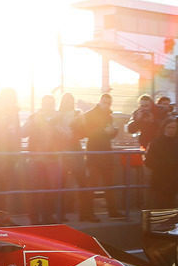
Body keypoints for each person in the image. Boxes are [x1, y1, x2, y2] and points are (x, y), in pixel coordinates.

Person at [22, 94, 71, 224]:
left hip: (52, 159)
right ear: (42, 105)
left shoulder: (59, 119)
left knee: (51, 189)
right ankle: (34, 217)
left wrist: (55, 127)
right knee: (34, 189)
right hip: (36, 159)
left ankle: (47, 215)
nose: (48, 107)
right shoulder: (34, 117)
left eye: (51, 104)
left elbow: (68, 135)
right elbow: (23, 132)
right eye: (46, 104)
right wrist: (35, 122)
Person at [75, 93, 121, 221]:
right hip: (94, 154)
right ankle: (88, 213)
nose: (106, 105)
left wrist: (113, 132)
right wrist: (104, 132)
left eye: (108, 103)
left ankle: (112, 211)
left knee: (109, 184)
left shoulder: (108, 116)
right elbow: (86, 132)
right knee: (91, 186)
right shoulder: (90, 115)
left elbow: (107, 134)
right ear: (100, 102)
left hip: (105, 154)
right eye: (104, 102)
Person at [144, 116, 178, 209]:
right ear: (164, 128)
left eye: (173, 127)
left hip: (173, 177)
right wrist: (161, 166)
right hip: (160, 177)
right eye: (169, 127)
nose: (171, 130)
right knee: (160, 202)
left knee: (171, 202)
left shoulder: (176, 142)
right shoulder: (156, 142)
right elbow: (149, 161)